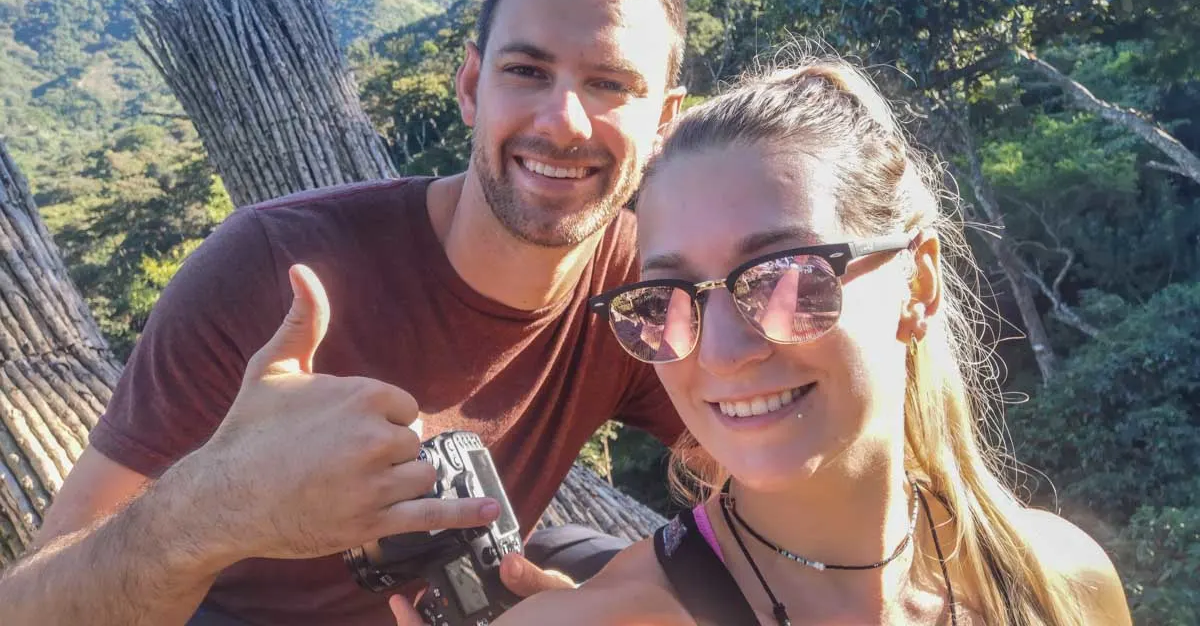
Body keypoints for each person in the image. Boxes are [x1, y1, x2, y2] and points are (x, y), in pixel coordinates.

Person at [0, 0, 688, 626]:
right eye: (526, 71)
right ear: (472, 84)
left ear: (665, 121)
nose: (563, 120)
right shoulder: (271, 268)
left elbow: (783, 484)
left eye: (610, 84)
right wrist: (212, 504)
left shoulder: (650, 288)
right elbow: (30, 611)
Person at [393, 58, 1132, 625]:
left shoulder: (1056, 581)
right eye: (666, 298)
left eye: (785, 278)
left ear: (918, 284)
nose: (719, 353)